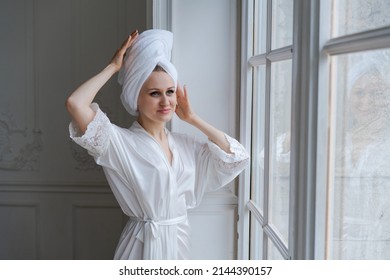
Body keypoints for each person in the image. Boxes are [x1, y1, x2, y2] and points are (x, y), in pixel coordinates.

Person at [65, 29, 249, 260]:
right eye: (154, 93)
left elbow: (237, 157)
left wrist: (193, 118)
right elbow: (75, 103)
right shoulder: (118, 142)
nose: (166, 101)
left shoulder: (186, 145)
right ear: (136, 98)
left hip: (179, 242)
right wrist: (113, 67)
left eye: (170, 92)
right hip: (141, 247)